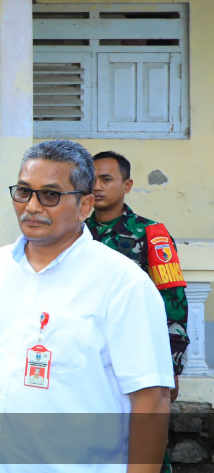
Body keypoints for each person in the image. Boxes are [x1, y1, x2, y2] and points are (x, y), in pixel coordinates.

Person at [0, 140, 173, 472]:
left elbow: (151, 399)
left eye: (50, 195)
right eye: (23, 191)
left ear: (85, 206)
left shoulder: (123, 284)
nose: (32, 206)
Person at [89, 150, 188, 473]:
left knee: (143, 432)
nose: (97, 186)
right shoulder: (73, 231)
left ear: (127, 184)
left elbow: (172, 300)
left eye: (106, 179)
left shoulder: (150, 233)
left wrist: (172, 363)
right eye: (91, 179)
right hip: (88, 350)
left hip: (137, 350)